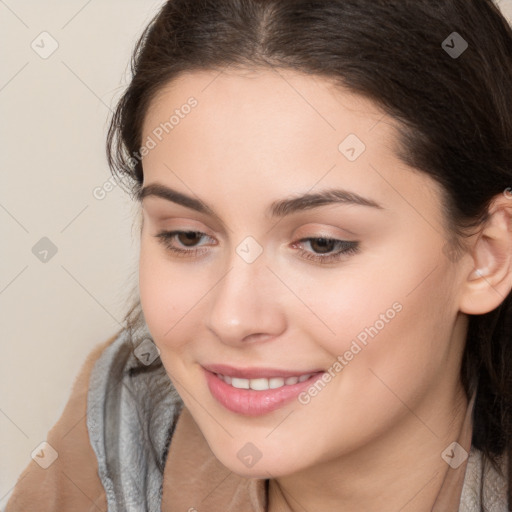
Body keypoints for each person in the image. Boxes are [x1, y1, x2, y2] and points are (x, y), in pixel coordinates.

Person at [6, 0, 512, 510]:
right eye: (186, 236)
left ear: (487, 256)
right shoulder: (120, 419)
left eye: (322, 244)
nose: (232, 318)